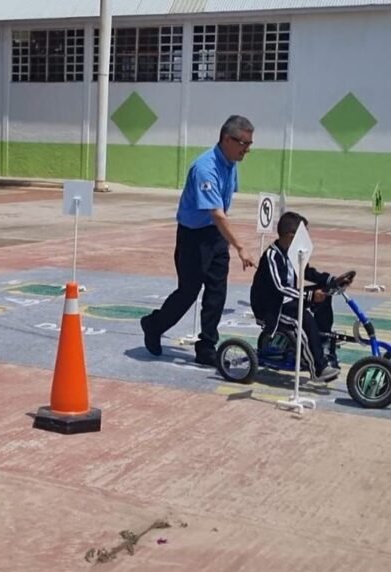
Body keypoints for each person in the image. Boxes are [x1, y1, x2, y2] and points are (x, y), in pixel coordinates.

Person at [140, 115, 257, 365]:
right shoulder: (205, 167)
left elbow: (223, 209)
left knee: (217, 291)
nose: (247, 150)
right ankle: (154, 324)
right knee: (188, 292)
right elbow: (216, 212)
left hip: (215, 235)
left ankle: (206, 346)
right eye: (244, 144)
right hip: (193, 237)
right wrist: (241, 247)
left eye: (249, 144)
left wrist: (226, 240)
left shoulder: (230, 164)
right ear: (227, 139)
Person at [250, 211, 349, 383]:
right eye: (303, 234)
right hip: (271, 307)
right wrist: (310, 295)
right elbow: (280, 288)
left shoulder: (293, 252)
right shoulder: (272, 256)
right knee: (305, 320)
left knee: (325, 295)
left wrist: (331, 281)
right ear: (290, 236)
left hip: (287, 299)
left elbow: (307, 271)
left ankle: (321, 342)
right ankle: (318, 368)